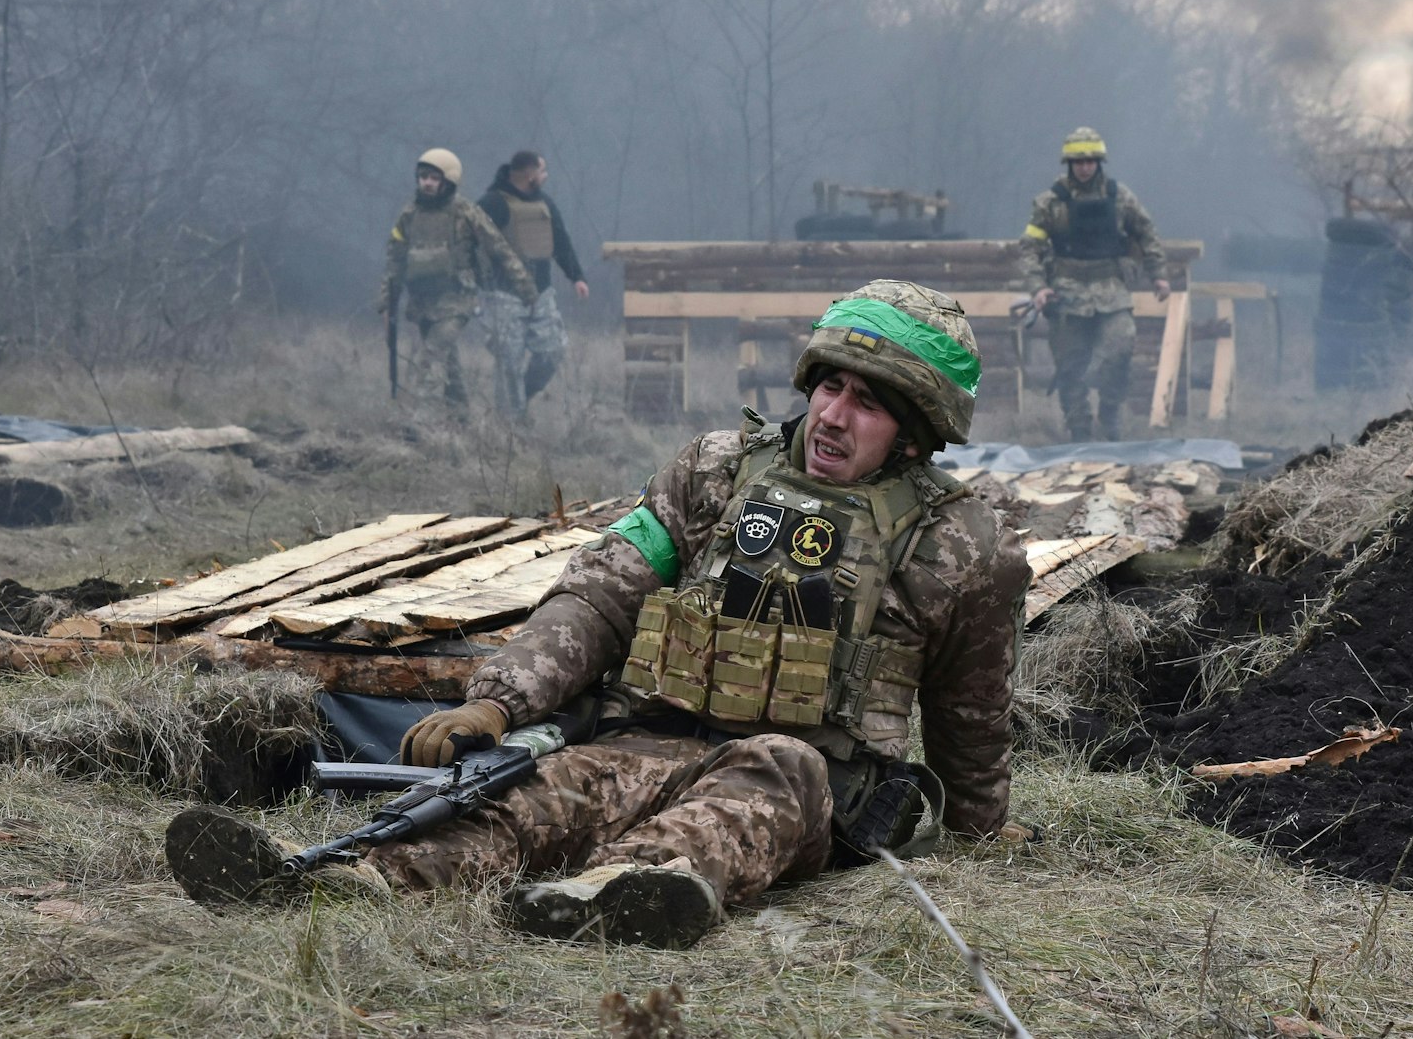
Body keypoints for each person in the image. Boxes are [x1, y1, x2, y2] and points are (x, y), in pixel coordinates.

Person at [167, 280, 1032, 949]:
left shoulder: (963, 546)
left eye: (868, 403)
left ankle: (616, 893)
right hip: (643, 742)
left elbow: (970, 711)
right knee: (537, 795)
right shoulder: (715, 473)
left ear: (916, 434)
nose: (835, 417)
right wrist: (498, 700)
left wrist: (980, 829)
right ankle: (350, 881)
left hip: (812, 783)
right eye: (831, 387)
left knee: (773, 769)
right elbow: (601, 593)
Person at [1020, 126, 1170, 441]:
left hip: (1111, 289)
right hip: (1066, 291)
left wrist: (1158, 274)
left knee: (1120, 345)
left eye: (1090, 161)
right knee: (1070, 365)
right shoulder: (1050, 202)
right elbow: (1030, 248)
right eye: (1078, 161)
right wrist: (1038, 288)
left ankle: (1110, 413)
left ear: (1099, 162)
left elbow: (1146, 233)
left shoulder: (1120, 197)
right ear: (1069, 164)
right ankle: (1080, 432)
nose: (1085, 167)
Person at [377, 148, 537, 412]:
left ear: (447, 181)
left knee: (432, 354)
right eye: (423, 176)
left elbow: (499, 249)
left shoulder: (465, 213)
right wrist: (386, 304)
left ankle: (421, 421)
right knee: (449, 364)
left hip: (456, 301)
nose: (427, 182)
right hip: (423, 301)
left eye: (433, 178)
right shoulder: (408, 216)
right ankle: (461, 418)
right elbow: (395, 261)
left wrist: (526, 288)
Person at [476, 151, 589, 417]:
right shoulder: (492, 203)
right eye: (542, 171)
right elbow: (471, 246)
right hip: (503, 296)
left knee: (553, 350)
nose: (545, 176)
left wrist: (577, 277)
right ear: (530, 175)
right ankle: (510, 427)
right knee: (509, 363)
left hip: (542, 294)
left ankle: (524, 397)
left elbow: (560, 242)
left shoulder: (545, 204)